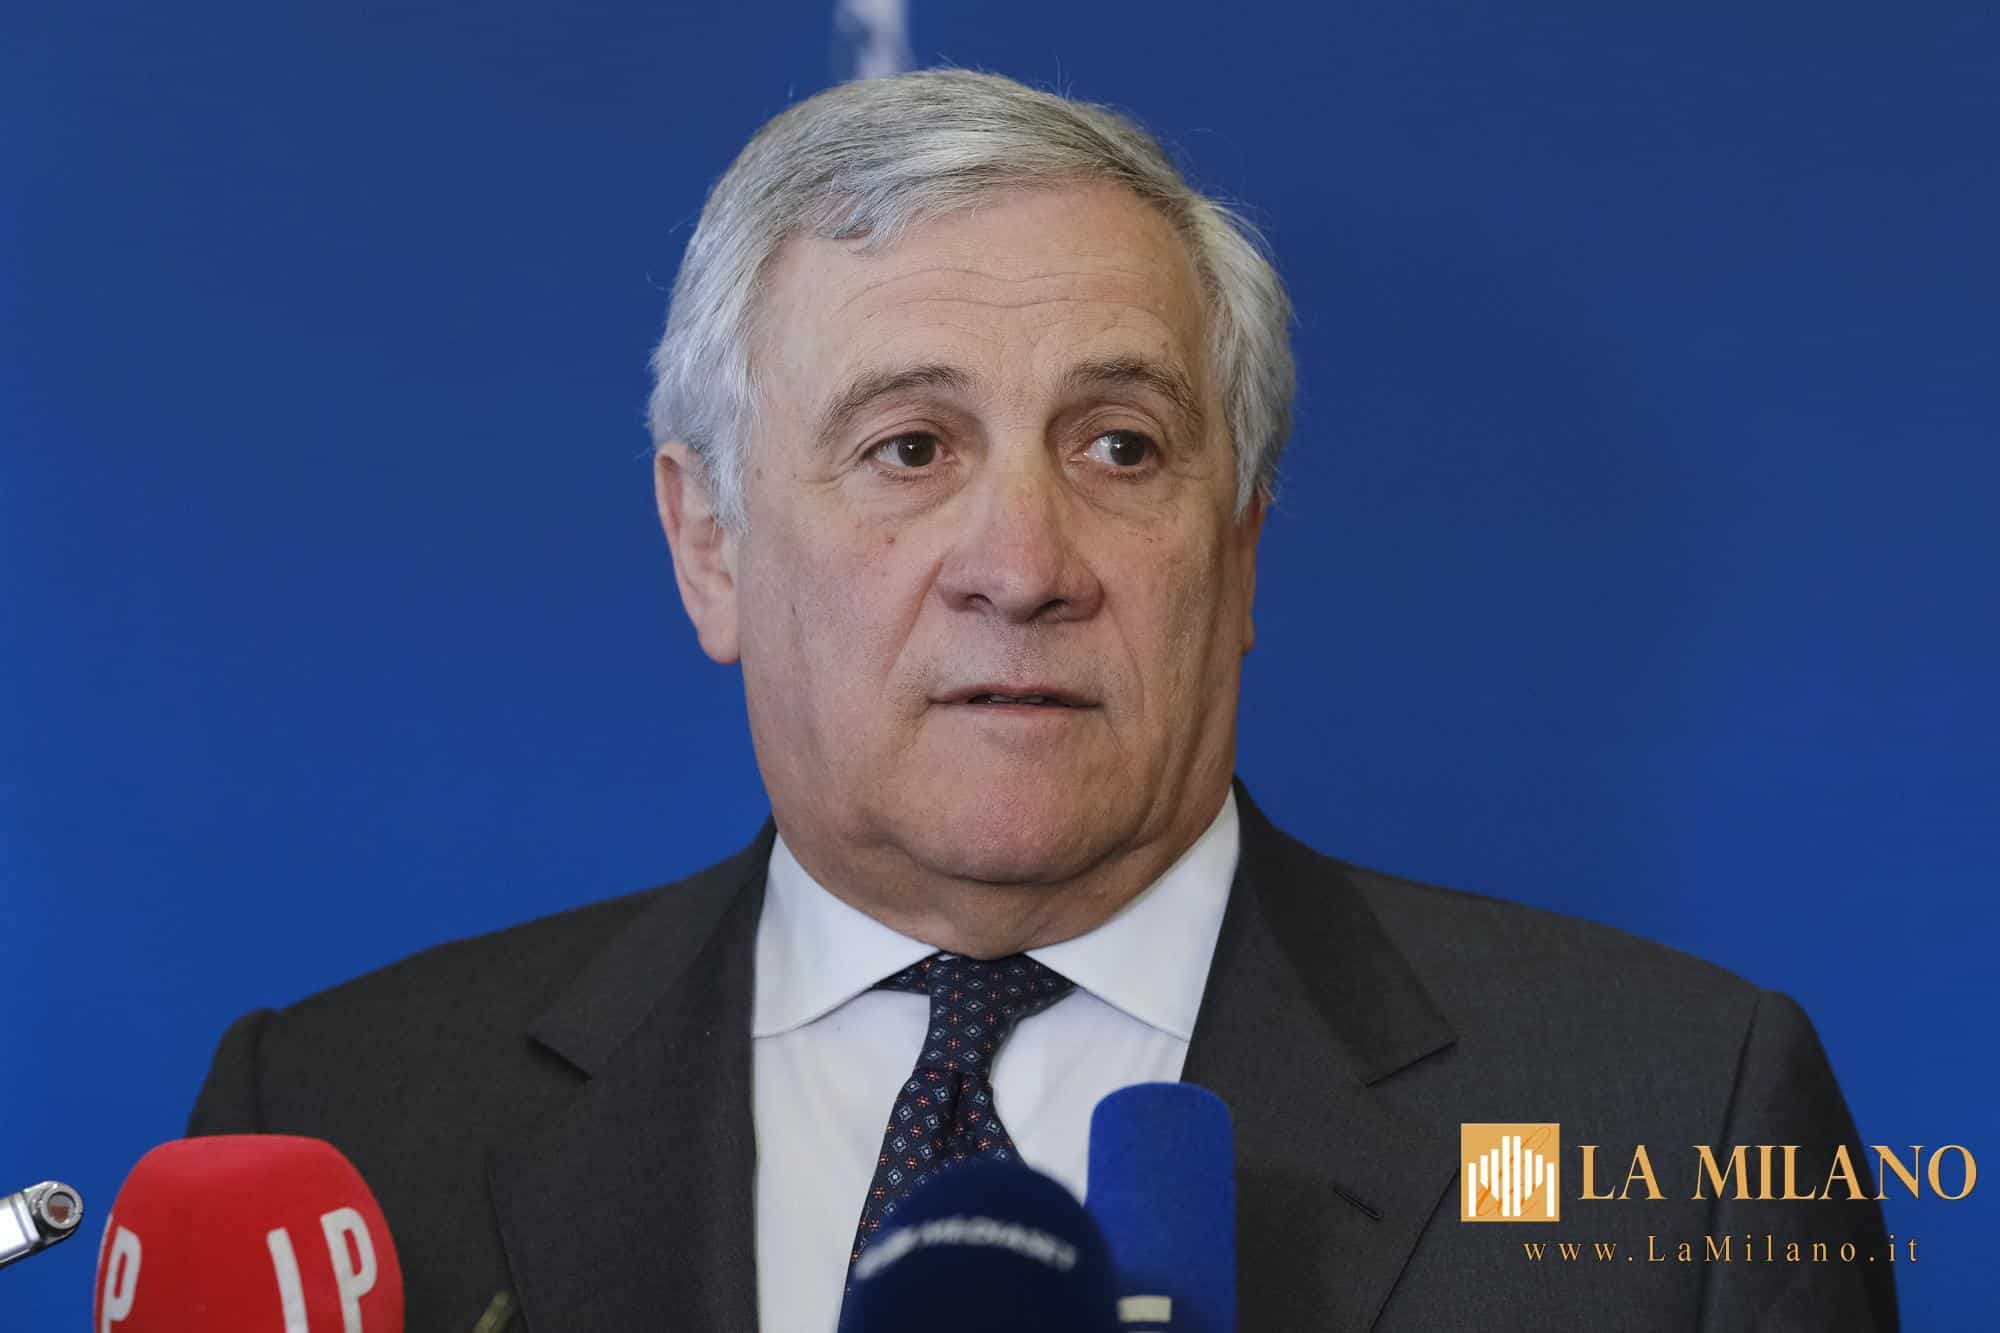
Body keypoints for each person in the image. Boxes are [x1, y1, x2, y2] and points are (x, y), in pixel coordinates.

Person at [189, 70, 1897, 1332]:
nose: (1022, 563)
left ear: (1239, 547)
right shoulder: (341, 1129)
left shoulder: (1671, 1130)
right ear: (710, 544)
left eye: (1121, 446)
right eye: (909, 447)